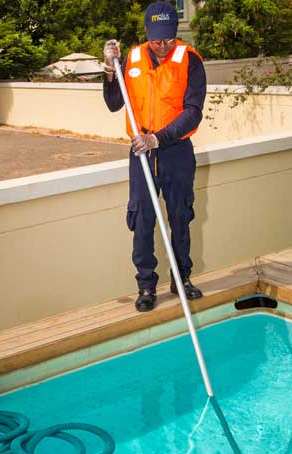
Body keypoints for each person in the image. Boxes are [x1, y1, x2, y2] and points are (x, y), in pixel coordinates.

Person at [103, 1, 206, 312]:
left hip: (176, 151)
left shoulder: (189, 60)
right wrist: (110, 69)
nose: (163, 46)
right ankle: (146, 286)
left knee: (180, 216)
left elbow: (193, 113)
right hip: (141, 154)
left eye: (169, 39)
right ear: (147, 33)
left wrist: (157, 138)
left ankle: (181, 278)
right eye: (157, 39)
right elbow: (113, 103)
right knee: (143, 220)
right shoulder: (130, 58)